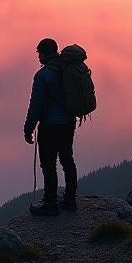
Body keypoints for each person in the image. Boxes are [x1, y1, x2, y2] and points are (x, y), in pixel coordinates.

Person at [23, 37, 77, 216]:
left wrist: (28, 128)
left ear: (45, 53)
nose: (39, 57)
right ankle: (70, 200)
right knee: (67, 159)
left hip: (50, 126)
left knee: (48, 164)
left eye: (39, 53)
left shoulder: (43, 75)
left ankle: (50, 204)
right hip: (68, 123)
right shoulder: (67, 70)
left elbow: (36, 104)